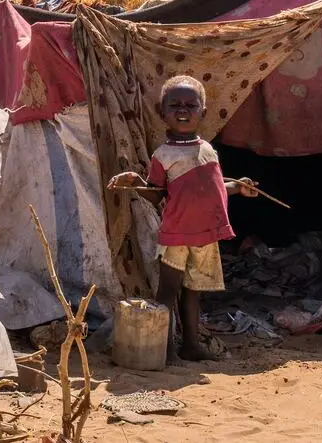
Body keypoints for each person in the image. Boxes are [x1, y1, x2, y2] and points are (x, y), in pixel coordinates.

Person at [107, 75, 259, 362]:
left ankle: (191, 344)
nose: (183, 110)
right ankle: (165, 351)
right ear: (161, 113)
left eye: (191, 105)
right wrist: (136, 183)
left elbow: (213, 192)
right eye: (174, 105)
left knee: (194, 291)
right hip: (176, 234)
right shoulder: (162, 155)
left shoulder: (208, 150)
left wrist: (238, 187)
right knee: (168, 292)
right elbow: (158, 196)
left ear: (203, 111)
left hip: (205, 234)